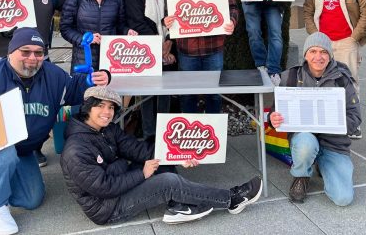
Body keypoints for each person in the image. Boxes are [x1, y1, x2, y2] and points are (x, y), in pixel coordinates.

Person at [0, 27, 111, 235]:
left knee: (32, 198)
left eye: (38, 52)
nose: (32, 58)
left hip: (23, 150)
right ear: (10, 53)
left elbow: (72, 89)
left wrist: (94, 80)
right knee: (5, 154)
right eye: (25, 51)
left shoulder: (51, 75)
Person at [60, 85, 263, 225]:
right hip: (106, 207)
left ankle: (178, 207)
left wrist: (178, 156)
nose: (107, 112)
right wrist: (142, 175)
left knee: (159, 161)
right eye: (101, 105)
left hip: (117, 180)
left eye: (111, 107)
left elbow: (138, 150)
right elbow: (103, 188)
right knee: (168, 182)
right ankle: (232, 199)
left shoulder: (106, 129)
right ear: (88, 108)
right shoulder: (76, 149)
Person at [0, 0, 66, 166]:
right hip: (5, 55)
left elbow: (70, 10)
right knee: (5, 105)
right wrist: (2, 27)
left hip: (38, 57)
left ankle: (35, 147)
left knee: (39, 104)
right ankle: (6, 148)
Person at [269, 32, 361, 206]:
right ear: (305, 55)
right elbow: (275, 113)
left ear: (330, 55)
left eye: (323, 52)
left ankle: (323, 164)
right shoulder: (291, 77)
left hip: (334, 143)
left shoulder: (342, 79)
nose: (318, 57)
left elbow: (355, 117)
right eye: (313, 51)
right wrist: (273, 119)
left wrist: (336, 123)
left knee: (343, 198)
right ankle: (301, 175)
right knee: (306, 144)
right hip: (305, 138)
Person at [303, 0, 366, 139]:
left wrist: (354, 37)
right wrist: (315, 36)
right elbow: (308, 12)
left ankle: (353, 124)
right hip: (323, 43)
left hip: (346, 41)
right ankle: (328, 120)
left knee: (349, 82)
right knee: (322, 82)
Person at [164, 0, 238, 113]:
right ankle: (191, 134)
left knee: (213, 94)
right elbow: (169, 13)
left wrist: (232, 22)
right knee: (188, 95)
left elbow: (232, 7)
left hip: (213, 50)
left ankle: (212, 133)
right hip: (187, 52)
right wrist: (166, 21)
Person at [123, 0, 173, 139]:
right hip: (146, 50)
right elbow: (136, 20)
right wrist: (157, 46)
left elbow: (175, 15)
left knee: (166, 92)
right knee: (147, 94)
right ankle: (149, 134)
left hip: (167, 47)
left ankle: (165, 133)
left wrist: (169, 42)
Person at [60, 0, 135, 74]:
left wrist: (127, 31)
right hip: (84, 60)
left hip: (111, 59)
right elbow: (65, 28)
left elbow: (120, 25)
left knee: (109, 92)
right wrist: (83, 39)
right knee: (85, 92)